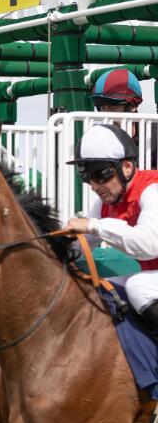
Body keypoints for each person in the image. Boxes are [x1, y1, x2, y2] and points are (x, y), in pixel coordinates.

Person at [63, 124, 158, 329]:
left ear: (127, 167)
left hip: (149, 275)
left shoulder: (152, 190)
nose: (95, 186)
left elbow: (149, 246)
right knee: (104, 290)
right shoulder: (106, 202)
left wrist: (95, 226)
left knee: (138, 287)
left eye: (101, 174)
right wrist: (56, 244)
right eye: (87, 177)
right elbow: (80, 248)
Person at [90, 68, 157, 168]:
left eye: (113, 107)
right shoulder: (95, 138)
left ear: (133, 106)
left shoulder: (155, 135)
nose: (107, 115)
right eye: (102, 108)